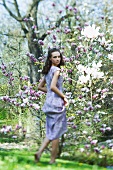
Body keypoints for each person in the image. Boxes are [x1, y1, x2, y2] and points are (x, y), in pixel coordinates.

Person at [34, 48, 68, 164]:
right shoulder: (57, 70)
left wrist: (50, 92)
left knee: (50, 132)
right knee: (56, 133)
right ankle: (52, 160)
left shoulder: (48, 71)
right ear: (50, 58)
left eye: (59, 57)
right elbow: (53, 86)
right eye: (55, 57)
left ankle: (39, 153)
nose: (57, 59)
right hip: (56, 104)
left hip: (48, 104)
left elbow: (40, 87)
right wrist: (63, 97)